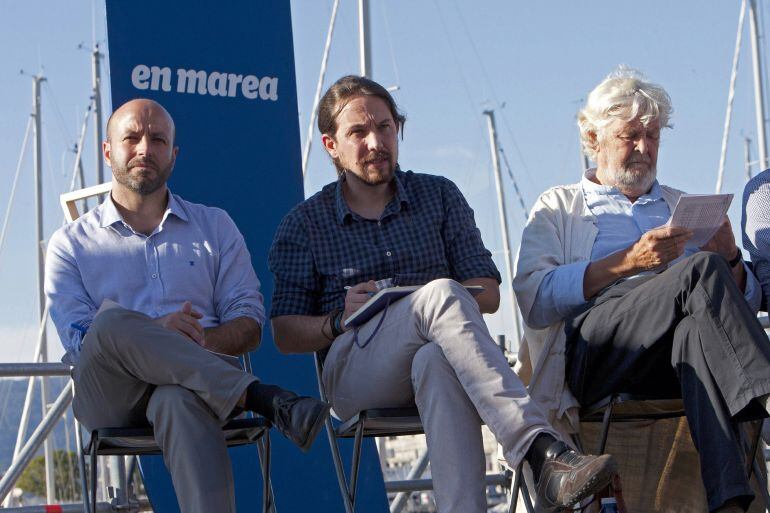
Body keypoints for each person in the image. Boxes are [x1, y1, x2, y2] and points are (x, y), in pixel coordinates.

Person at [268, 75, 617, 513]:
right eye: (358, 132)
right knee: (440, 297)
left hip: (438, 359)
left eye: (385, 127)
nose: (375, 141)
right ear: (331, 145)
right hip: (354, 369)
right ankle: (539, 450)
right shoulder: (305, 223)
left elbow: (488, 294)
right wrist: (337, 319)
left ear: (398, 130)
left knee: (436, 355)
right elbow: (284, 333)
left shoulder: (439, 196)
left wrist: (434, 299)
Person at [44, 98, 330, 513]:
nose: (145, 148)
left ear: (173, 156)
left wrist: (189, 341)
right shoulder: (70, 243)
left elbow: (248, 324)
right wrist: (157, 331)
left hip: (195, 391)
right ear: (108, 151)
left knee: (176, 396)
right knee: (109, 325)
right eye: (132, 138)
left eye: (158, 139)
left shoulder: (214, 226)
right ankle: (262, 397)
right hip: (111, 395)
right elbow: (79, 341)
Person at [513, 67, 770, 513]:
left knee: (696, 334)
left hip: (670, 351)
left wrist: (732, 259)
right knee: (699, 270)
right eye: (630, 135)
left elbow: (739, 308)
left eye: (652, 137)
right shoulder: (559, 206)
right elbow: (535, 300)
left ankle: (731, 505)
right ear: (593, 139)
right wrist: (628, 262)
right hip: (598, 345)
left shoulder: (681, 205)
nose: (644, 148)